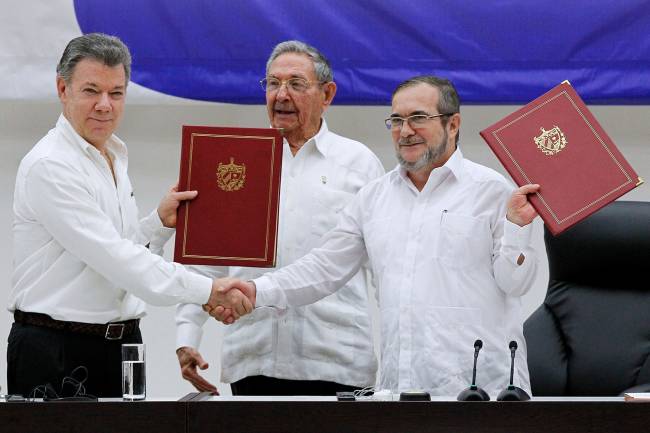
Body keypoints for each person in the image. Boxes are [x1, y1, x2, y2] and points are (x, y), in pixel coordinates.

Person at [213, 76, 541, 397]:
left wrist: (518, 228)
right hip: (402, 390)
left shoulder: (492, 190)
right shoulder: (374, 198)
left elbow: (516, 283)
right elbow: (323, 267)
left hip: (482, 391)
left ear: (452, 124)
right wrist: (256, 290)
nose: (406, 131)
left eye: (418, 118)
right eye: (396, 120)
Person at [7, 33, 249, 398]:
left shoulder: (113, 155)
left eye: (116, 93)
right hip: (56, 350)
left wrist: (160, 224)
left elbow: (120, 256)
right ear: (62, 89)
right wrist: (209, 290)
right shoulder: (51, 165)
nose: (105, 105)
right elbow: (118, 260)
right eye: (91, 90)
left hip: (119, 347)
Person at [174, 40, 384, 395]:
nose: (281, 95)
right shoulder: (233, 163)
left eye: (296, 84)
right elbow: (205, 260)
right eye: (272, 83)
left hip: (337, 363)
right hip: (254, 359)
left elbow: (384, 266)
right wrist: (187, 335)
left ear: (327, 94)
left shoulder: (359, 165)